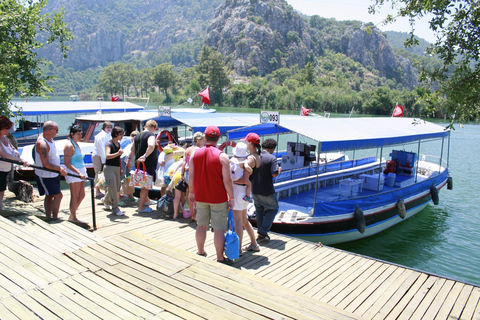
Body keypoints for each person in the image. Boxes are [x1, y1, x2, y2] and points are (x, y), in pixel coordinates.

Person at [188, 126, 235, 264]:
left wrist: (191, 192)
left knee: (201, 225)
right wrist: (231, 198)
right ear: (218, 138)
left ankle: (200, 251)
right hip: (218, 198)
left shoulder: (194, 155)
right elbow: (227, 181)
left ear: (205, 138)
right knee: (219, 228)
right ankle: (220, 258)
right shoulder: (222, 156)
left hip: (201, 196)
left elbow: (191, 176)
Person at [232, 135, 262, 252]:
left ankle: (238, 249)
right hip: (246, 193)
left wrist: (230, 180)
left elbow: (245, 180)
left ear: (251, 144)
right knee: (244, 220)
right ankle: (254, 244)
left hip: (240, 191)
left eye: (247, 142)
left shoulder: (249, 159)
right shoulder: (257, 157)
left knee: (238, 222)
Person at [250, 138, 282, 242]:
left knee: (259, 210)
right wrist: (279, 170)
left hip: (254, 189)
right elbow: (274, 173)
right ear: (272, 148)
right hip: (267, 190)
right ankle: (263, 231)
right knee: (273, 209)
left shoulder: (255, 156)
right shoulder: (272, 158)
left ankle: (261, 233)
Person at [34, 121, 67, 219]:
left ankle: (49, 216)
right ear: (50, 130)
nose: (57, 133)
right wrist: (60, 169)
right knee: (58, 196)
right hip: (45, 175)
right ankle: (55, 217)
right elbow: (46, 164)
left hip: (53, 174)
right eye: (56, 130)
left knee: (50, 195)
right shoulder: (42, 143)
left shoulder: (49, 139)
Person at [128, 120, 158, 213]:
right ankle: (141, 207)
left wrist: (129, 160)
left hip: (139, 163)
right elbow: (151, 146)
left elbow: (132, 149)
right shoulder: (151, 135)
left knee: (143, 185)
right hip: (147, 163)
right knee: (145, 187)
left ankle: (147, 200)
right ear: (153, 127)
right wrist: (145, 156)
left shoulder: (137, 136)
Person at [0, 116, 28, 210]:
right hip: (0, 169)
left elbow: (13, 150)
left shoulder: (5, 138)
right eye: (5, 129)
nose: (7, 131)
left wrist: (19, 157)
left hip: (5, 169)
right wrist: (20, 160)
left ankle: (1, 208)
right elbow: (4, 154)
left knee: (2, 189)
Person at [63, 125, 86, 222]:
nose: (80, 136)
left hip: (81, 170)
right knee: (75, 195)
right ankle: (73, 217)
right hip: (74, 172)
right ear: (72, 134)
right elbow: (67, 162)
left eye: (81, 134)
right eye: (78, 134)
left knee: (82, 195)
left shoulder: (76, 144)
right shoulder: (69, 145)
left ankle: (72, 214)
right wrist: (78, 172)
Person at [183, 131, 205, 221]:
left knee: (190, 195)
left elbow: (183, 163)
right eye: (203, 140)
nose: (204, 142)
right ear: (198, 140)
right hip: (196, 175)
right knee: (199, 196)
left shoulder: (187, 149)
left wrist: (181, 174)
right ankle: (198, 216)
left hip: (187, 175)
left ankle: (193, 215)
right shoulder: (198, 150)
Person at [103, 126, 125, 216]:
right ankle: (115, 208)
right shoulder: (109, 144)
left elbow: (118, 158)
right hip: (109, 168)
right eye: (121, 134)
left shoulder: (118, 144)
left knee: (116, 187)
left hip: (116, 168)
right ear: (116, 134)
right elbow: (107, 156)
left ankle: (106, 200)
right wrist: (118, 153)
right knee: (113, 187)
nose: (122, 136)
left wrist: (121, 168)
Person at [92, 121, 112, 197]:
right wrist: (104, 161)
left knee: (103, 174)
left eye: (110, 127)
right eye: (107, 127)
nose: (109, 129)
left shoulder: (108, 135)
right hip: (98, 156)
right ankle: (97, 191)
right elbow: (101, 149)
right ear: (104, 128)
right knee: (98, 173)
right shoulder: (101, 136)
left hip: (104, 156)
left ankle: (103, 189)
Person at [120, 130, 138, 202]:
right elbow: (128, 154)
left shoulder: (134, 144)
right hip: (125, 161)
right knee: (122, 178)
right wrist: (128, 161)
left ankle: (130, 195)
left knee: (129, 178)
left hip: (129, 162)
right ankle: (117, 195)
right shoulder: (133, 144)